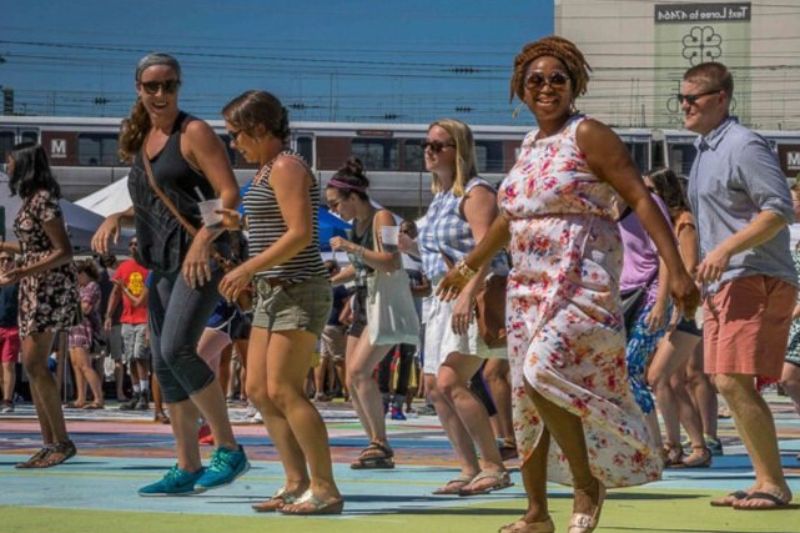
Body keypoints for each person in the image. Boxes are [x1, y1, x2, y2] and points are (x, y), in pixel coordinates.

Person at [438, 36, 698, 533]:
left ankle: (586, 482)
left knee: (540, 373)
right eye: (535, 80)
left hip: (581, 278)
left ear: (574, 84)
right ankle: (536, 513)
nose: (546, 87)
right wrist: (471, 267)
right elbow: (509, 217)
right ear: (520, 89)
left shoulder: (590, 134)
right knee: (525, 393)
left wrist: (679, 270)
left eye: (558, 78)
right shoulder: (530, 147)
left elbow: (642, 200)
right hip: (527, 284)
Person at [91, 52, 248, 496]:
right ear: (138, 89)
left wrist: (202, 241)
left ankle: (229, 448)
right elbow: (157, 201)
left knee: (179, 348)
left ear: (179, 87)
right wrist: (118, 218)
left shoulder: (192, 131)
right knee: (162, 362)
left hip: (199, 257)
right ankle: (186, 465)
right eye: (152, 86)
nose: (161, 94)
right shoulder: (144, 139)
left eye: (170, 85)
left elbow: (229, 192)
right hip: (160, 262)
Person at [217, 90, 342, 515]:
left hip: (299, 285)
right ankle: (295, 481)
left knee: (285, 389)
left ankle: (325, 488)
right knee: (257, 389)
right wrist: (242, 221)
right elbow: (276, 222)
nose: (233, 143)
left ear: (259, 128)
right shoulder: (268, 169)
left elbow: (301, 233)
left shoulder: (287, 166)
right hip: (275, 289)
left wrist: (247, 267)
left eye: (236, 134)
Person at [683, 61, 797, 510]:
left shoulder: (743, 145)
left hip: (755, 275)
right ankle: (762, 479)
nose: (684, 106)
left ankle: (774, 484)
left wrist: (725, 249)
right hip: (726, 280)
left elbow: (779, 209)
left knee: (732, 380)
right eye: (682, 98)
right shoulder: (705, 149)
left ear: (721, 99)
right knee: (723, 380)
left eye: (693, 98)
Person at [398, 118, 511, 496]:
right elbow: (440, 252)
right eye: (426, 145)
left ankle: (494, 465)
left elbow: (489, 248)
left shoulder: (476, 193)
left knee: (451, 381)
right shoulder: (441, 197)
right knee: (433, 388)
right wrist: (410, 248)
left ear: (459, 151)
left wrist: (467, 291)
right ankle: (468, 467)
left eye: (437, 145)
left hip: (469, 299)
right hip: (439, 301)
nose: (428, 151)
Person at [1, 142, 81, 467]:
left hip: (48, 288)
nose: (6, 167)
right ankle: (50, 443)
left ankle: (60, 442)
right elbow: (34, 246)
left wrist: (23, 270)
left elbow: (63, 250)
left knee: (34, 364)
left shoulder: (43, 200)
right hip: (35, 285)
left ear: (23, 164)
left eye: (9, 162)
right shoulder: (32, 200)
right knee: (31, 366)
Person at [327, 158, 404, 469]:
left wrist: (352, 247)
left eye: (336, 204)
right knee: (351, 377)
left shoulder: (381, 218)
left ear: (353, 197)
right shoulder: (356, 226)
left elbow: (391, 261)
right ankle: (374, 440)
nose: (335, 211)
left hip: (381, 305)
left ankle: (380, 441)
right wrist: (329, 281)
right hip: (363, 302)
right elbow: (359, 269)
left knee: (360, 372)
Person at [644, 168, 713, 467]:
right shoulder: (667, 225)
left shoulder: (684, 224)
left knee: (660, 376)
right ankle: (683, 445)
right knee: (672, 379)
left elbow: (688, 268)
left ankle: (689, 445)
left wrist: (673, 309)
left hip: (686, 307)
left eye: (649, 189)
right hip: (678, 307)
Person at [107, 238, 152, 411]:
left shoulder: (149, 267)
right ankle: (135, 392)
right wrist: (109, 315)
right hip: (127, 319)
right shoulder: (124, 267)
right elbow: (115, 292)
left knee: (140, 356)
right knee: (130, 358)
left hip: (144, 318)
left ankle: (144, 393)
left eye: (136, 243)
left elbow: (143, 300)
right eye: (131, 244)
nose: (133, 246)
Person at [67, 259, 105, 409]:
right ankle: (80, 398)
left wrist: (70, 304)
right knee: (76, 365)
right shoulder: (78, 287)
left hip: (84, 327)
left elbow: (85, 308)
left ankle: (98, 398)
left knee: (85, 365)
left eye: (76, 274)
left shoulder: (92, 286)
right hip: (74, 327)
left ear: (83, 273)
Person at [0, 251, 20, 413]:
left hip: (12, 327)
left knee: (8, 365)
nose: (6, 262)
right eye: (2, 260)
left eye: (9, 259)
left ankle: (8, 399)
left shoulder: (18, 280)